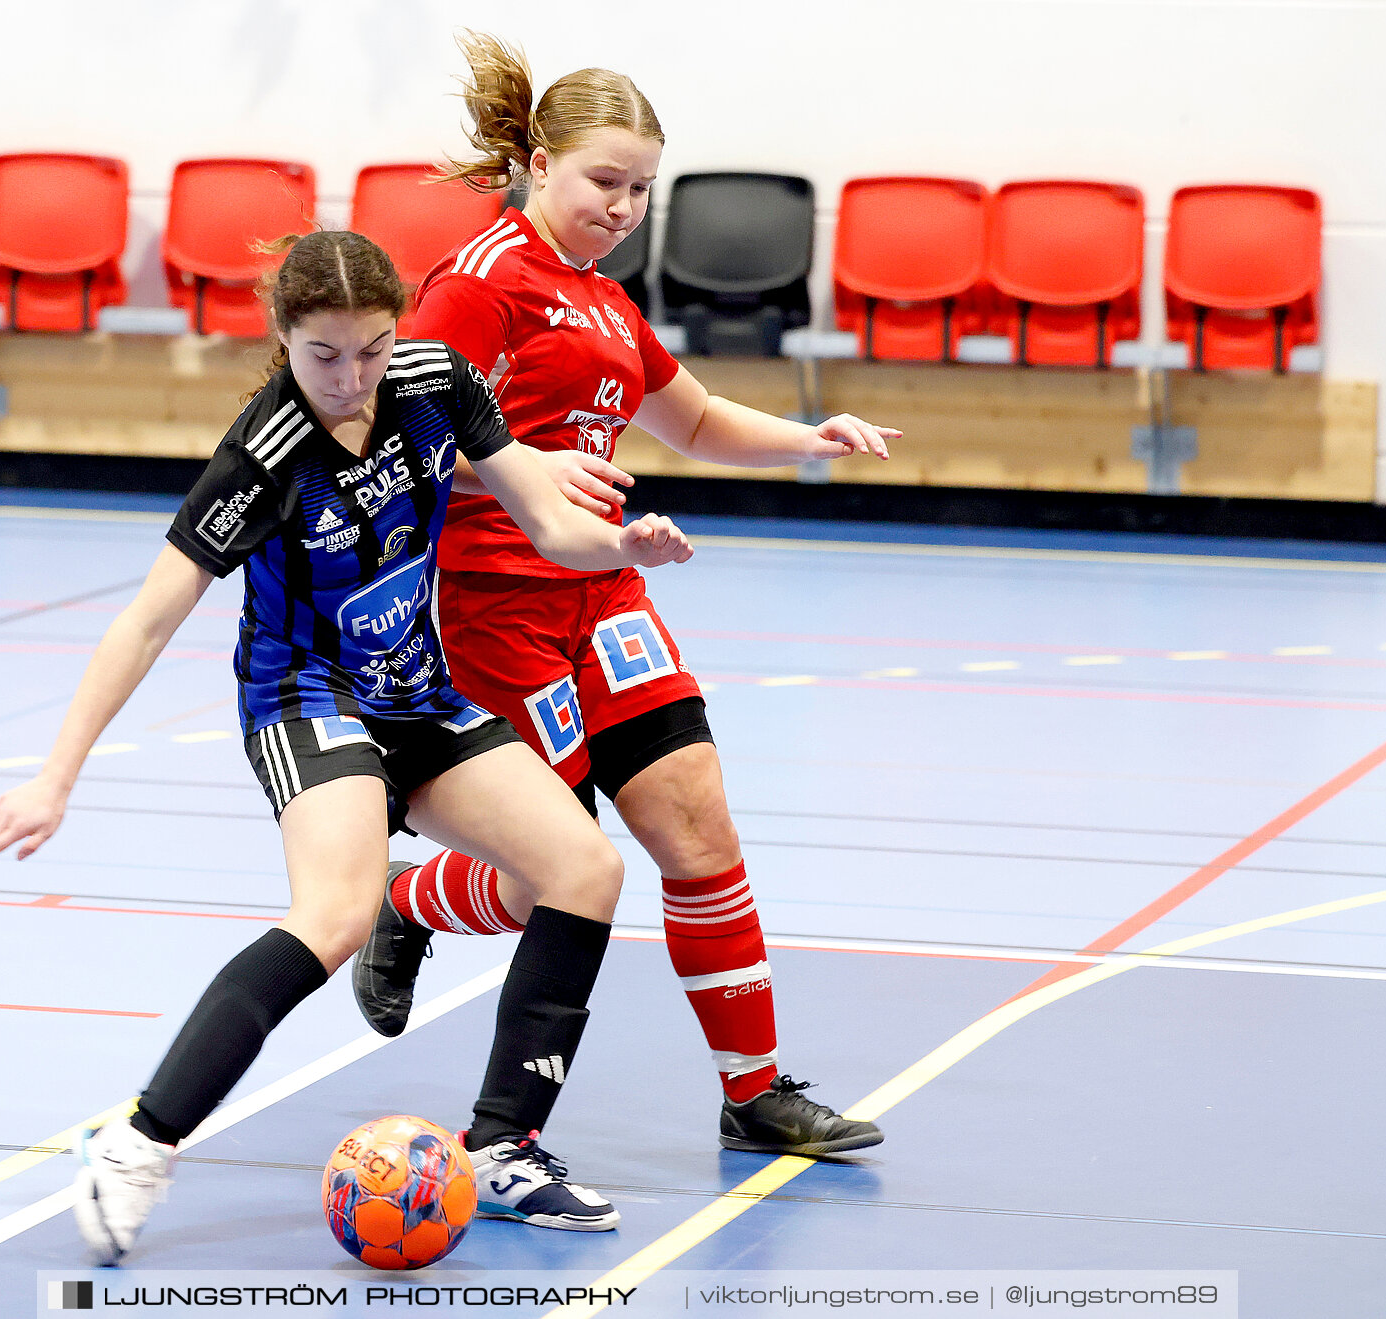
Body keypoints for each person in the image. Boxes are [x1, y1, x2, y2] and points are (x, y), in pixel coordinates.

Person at [0, 229, 696, 1261]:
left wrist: (621, 544)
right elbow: (146, 621)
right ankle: (140, 1139)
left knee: (585, 865)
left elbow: (543, 517)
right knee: (337, 912)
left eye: (372, 349)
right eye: (324, 356)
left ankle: (506, 1145)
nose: (351, 378)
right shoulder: (263, 458)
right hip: (305, 697)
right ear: (283, 339)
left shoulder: (438, 380)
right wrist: (54, 775)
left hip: (415, 691)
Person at [351, 33, 898, 1159]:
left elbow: (690, 419)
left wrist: (812, 436)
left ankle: (754, 1091)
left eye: (642, 188)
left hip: (600, 591)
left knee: (697, 820)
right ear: (539, 162)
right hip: (491, 608)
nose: (624, 206)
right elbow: (383, 437)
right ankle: (405, 898)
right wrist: (520, 469)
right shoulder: (484, 284)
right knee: (550, 874)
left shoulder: (599, 300)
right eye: (605, 180)